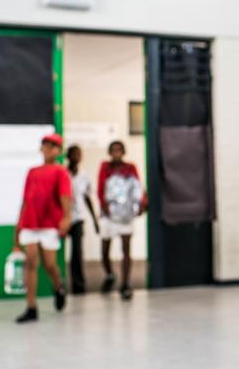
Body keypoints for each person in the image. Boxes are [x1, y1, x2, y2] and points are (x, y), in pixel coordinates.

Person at [13, 133, 72, 323]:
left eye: (53, 146)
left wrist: (67, 217)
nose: (49, 149)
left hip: (49, 223)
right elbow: (25, 199)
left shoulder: (60, 172)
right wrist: (19, 226)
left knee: (49, 264)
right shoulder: (32, 171)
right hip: (31, 222)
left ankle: (58, 286)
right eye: (46, 145)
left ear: (59, 150)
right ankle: (31, 307)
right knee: (30, 262)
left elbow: (64, 196)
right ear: (41, 148)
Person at [97, 140, 147, 300]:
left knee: (126, 248)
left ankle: (125, 283)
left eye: (119, 149)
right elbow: (100, 189)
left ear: (123, 152)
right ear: (109, 152)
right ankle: (110, 274)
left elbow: (138, 187)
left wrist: (141, 204)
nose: (116, 152)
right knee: (105, 248)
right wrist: (105, 207)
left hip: (125, 215)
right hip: (109, 214)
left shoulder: (130, 168)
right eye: (113, 150)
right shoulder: (105, 167)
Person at [66, 144, 99, 294]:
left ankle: (78, 284)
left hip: (78, 217)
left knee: (77, 253)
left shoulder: (84, 175)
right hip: (61, 218)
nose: (76, 157)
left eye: (79, 154)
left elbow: (87, 198)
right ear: (68, 156)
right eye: (74, 153)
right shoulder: (61, 172)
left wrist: (95, 220)